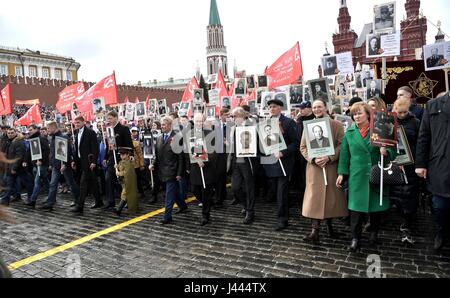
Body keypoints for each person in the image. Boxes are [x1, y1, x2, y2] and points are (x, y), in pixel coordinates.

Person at [337, 102, 397, 252]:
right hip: (357, 176)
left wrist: (386, 152)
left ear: (368, 114)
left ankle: (374, 234)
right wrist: (341, 173)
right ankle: (355, 239)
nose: (356, 117)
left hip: (376, 173)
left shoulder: (379, 128)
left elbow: (393, 149)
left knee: (375, 207)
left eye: (359, 113)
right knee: (355, 210)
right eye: (354, 114)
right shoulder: (349, 133)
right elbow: (345, 155)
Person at [300, 99, 348, 243]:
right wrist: (313, 159)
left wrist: (330, 157)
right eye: (314, 107)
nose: (316, 109)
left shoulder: (337, 125)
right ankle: (314, 231)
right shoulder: (308, 126)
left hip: (331, 168)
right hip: (315, 169)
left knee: (330, 199)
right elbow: (303, 147)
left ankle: (330, 227)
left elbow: (342, 145)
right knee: (315, 198)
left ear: (326, 108)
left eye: (319, 106)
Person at [416, 92, 450, 253]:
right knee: (440, 205)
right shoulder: (433, 105)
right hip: (440, 163)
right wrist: (420, 164)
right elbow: (424, 136)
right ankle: (441, 231)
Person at [262, 98, 300, 231]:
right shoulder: (265, 123)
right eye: (269, 107)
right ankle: (283, 211)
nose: (271, 109)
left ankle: (282, 219)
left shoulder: (288, 122)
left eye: (274, 106)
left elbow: (296, 143)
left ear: (280, 108)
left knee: (281, 192)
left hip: (284, 162)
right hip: (271, 163)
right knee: (274, 190)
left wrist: (283, 152)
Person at [390, 98, 421, 245]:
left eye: (404, 112)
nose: (401, 115)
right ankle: (400, 217)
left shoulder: (415, 122)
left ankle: (407, 222)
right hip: (393, 163)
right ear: (394, 109)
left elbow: (420, 143)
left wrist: (411, 158)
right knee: (396, 194)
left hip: (410, 164)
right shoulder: (389, 121)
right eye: (399, 112)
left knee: (409, 194)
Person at [150, 116, 187, 224]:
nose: (161, 127)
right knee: (173, 192)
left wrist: (180, 173)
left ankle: (167, 217)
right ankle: (183, 205)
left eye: (164, 125)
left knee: (169, 195)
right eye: (161, 124)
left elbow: (181, 157)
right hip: (162, 171)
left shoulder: (177, 137)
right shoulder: (159, 138)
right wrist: (153, 164)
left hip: (173, 172)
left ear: (170, 125)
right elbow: (157, 155)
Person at [36, 122, 80, 211]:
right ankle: (50, 203)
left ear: (53, 127)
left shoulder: (62, 137)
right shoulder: (52, 138)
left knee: (71, 184)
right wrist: (51, 164)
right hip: (56, 166)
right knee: (53, 184)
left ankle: (78, 201)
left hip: (64, 166)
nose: (47, 131)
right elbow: (52, 153)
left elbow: (67, 152)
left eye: (48, 129)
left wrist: (65, 164)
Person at [229, 107, 256, 224]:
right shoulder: (234, 128)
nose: (232, 118)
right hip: (236, 160)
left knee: (249, 187)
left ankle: (250, 211)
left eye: (234, 116)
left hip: (247, 160)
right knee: (235, 187)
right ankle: (245, 205)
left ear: (241, 116)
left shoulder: (251, 125)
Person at [102, 111, 134, 210]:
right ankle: (110, 201)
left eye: (110, 118)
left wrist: (131, 155)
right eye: (107, 119)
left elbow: (129, 143)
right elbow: (108, 146)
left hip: (122, 158)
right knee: (108, 178)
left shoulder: (124, 129)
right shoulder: (109, 130)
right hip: (112, 158)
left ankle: (128, 200)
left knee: (123, 181)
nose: (108, 120)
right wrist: (105, 157)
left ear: (116, 117)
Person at [71, 116, 102, 214]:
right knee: (93, 183)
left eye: (78, 122)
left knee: (83, 184)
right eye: (75, 122)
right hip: (81, 162)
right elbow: (77, 149)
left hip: (89, 162)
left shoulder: (90, 132)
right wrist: (74, 161)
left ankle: (80, 206)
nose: (76, 124)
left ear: (83, 122)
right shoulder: (76, 133)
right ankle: (99, 201)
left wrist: (94, 162)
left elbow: (95, 148)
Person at [114, 147, 138, 216]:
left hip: (128, 181)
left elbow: (126, 172)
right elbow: (120, 167)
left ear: (128, 155)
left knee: (124, 194)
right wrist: (116, 167)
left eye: (123, 154)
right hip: (123, 181)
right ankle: (126, 205)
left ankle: (119, 209)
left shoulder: (129, 162)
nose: (122, 156)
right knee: (126, 194)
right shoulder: (122, 162)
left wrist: (118, 173)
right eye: (121, 155)